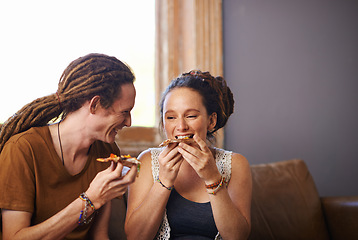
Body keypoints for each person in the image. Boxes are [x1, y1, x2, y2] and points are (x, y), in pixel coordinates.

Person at [0, 53, 139, 239]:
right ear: (95, 104)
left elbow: (99, 235)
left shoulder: (107, 152)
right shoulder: (22, 150)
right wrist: (91, 199)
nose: (128, 122)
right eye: (125, 112)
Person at [125, 70, 252, 240]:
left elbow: (237, 237)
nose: (181, 126)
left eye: (191, 116)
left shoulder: (235, 164)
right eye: (171, 117)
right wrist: (164, 180)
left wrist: (212, 179)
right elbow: (135, 237)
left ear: (211, 121)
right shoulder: (148, 161)